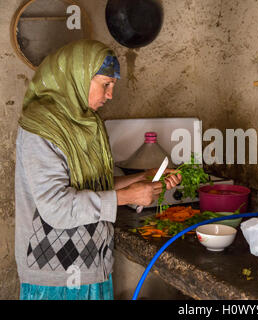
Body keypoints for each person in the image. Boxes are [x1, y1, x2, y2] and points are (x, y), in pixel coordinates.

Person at [14, 39, 182, 300]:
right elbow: (56, 206)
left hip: (94, 263)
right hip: (55, 274)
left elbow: (90, 185)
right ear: (79, 77)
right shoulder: (41, 128)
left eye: (113, 85)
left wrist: (140, 178)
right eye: (106, 84)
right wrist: (128, 196)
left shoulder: (88, 122)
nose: (111, 94)